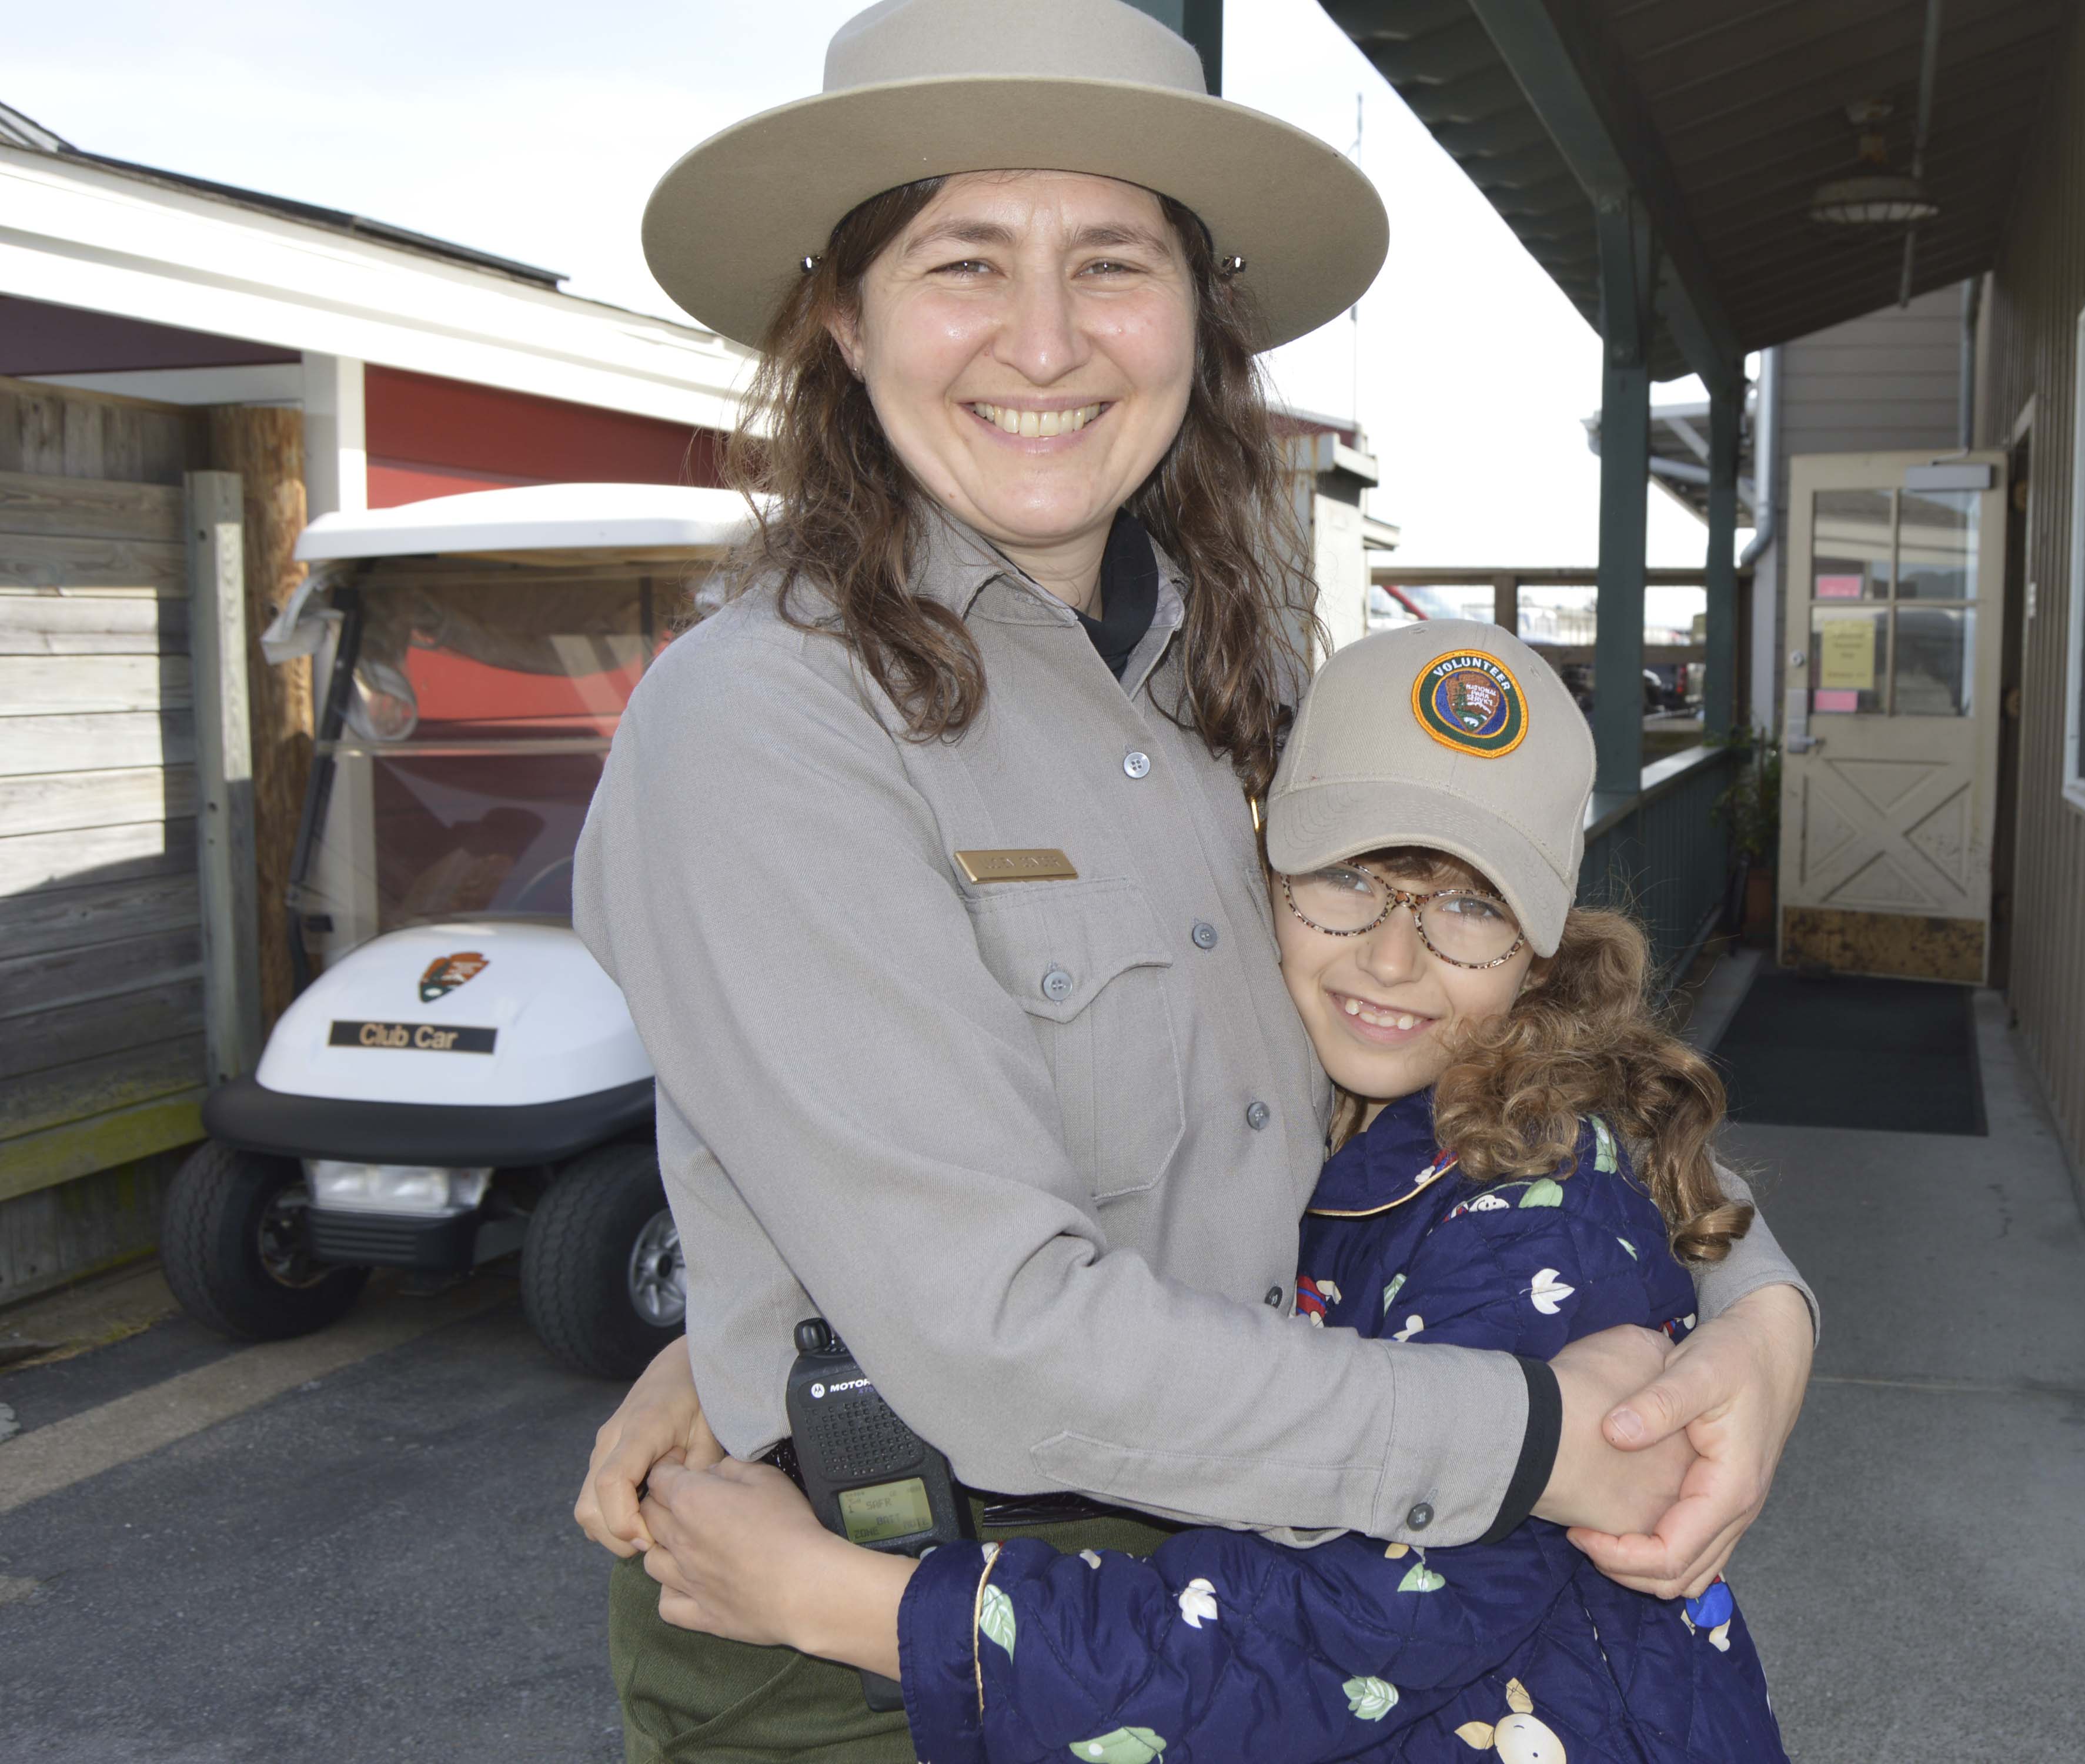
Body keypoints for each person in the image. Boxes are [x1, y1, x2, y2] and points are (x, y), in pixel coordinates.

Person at [572, 2, 1817, 1755]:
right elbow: (994, 1335)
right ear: (842, 315)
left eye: (1112, 261)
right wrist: (1542, 1443)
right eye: (963, 261)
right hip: (882, 1631)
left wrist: (1756, 1314)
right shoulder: (766, 720)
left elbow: (1469, 1053)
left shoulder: (1232, 697)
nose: (1047, 339)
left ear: (1197, 317)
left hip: (1268, 1556)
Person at [630, 623, 1792, 1764]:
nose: (1392, 958)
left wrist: (845, 1604)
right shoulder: (1306, 1109)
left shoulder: (1537, 1210)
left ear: (1543, 951)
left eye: (1469, 906)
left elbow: (1332, 1641)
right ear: (1260, 874)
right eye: (1349, 876)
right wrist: (733, 1340)